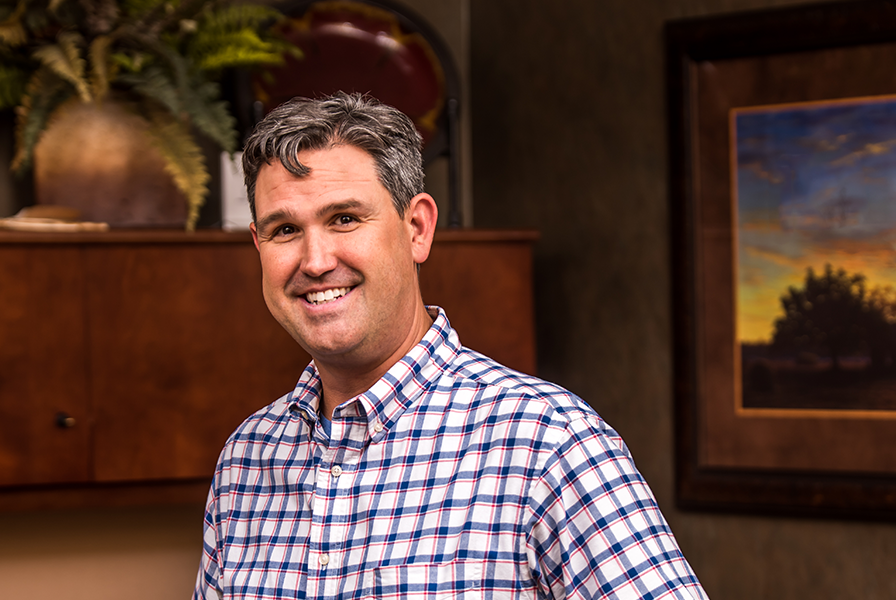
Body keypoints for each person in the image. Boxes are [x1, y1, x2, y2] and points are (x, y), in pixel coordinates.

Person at [194, 92, 708, 600]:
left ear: (417, 228)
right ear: (259, 247)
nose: (315, 260)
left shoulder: (548, 443)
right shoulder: (245, 461)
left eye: (345, 219)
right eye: (285, 229)